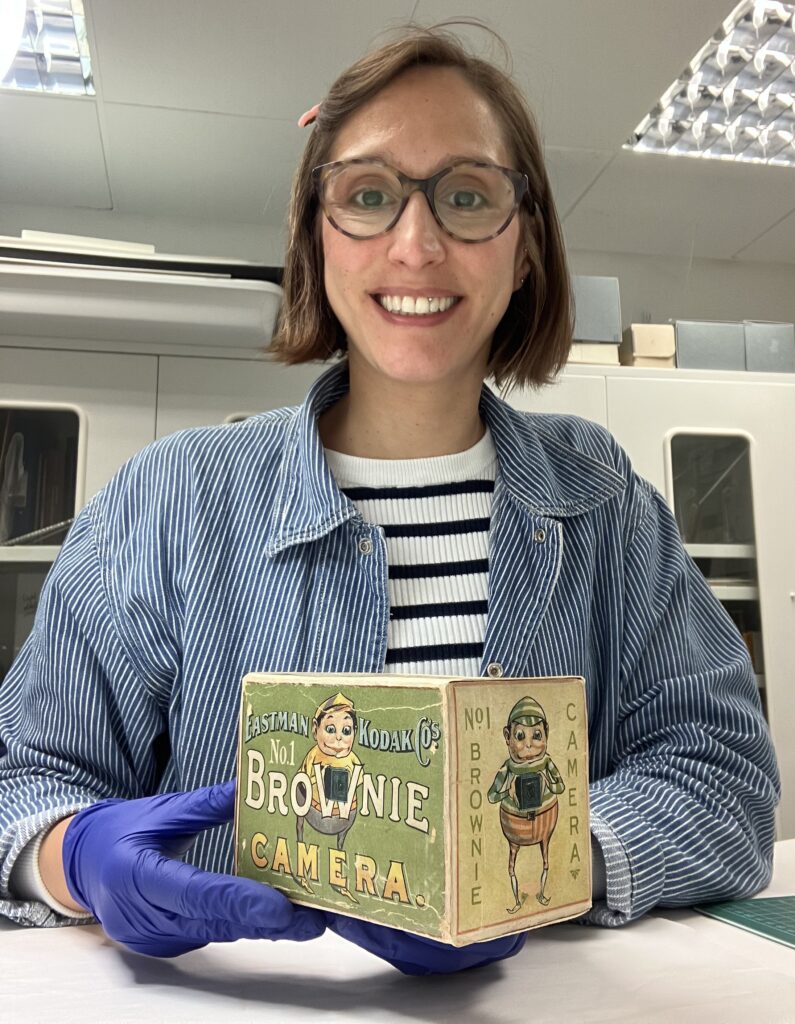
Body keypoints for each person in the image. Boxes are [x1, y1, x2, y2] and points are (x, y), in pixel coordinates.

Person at [0, 23, 780, 975]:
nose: (416, 244)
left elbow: (721, 776)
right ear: (316, 238)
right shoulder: (170, 502)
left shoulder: (600, 500)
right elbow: (23, 780)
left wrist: (532, 869)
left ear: (525, 245)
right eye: (367, 196)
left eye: (466, 195)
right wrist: (72, 858)